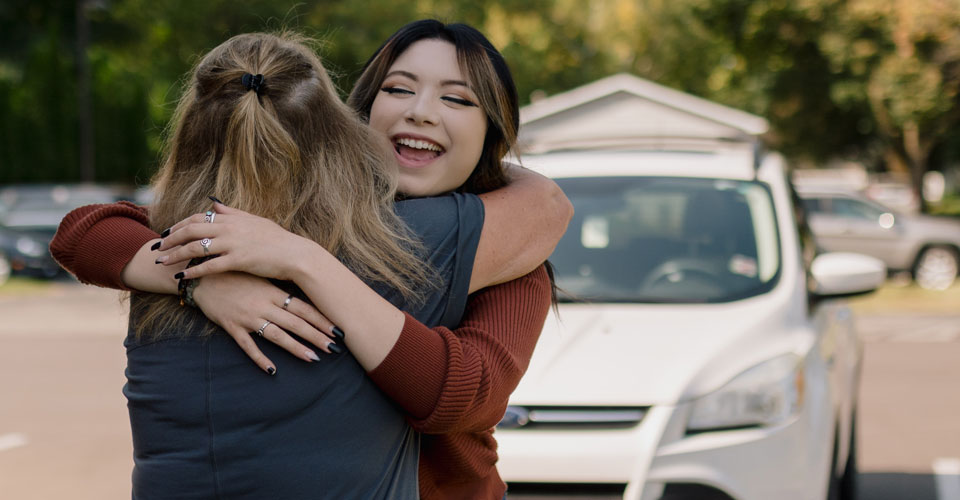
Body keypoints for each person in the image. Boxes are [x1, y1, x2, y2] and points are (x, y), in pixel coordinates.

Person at [52, 21, 571, 499]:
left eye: (457, 99)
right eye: (398, 89)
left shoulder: (507, 255)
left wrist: (304, 262)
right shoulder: (284, 218)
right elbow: (86, 231)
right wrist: (201, 280)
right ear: (356, 111)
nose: (421, 111)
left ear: (491, 135)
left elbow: (468, 396)